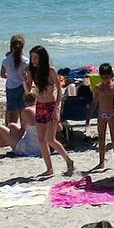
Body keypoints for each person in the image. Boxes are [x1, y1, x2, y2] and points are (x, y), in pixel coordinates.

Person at [27, 45, 74, 178]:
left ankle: (68, 160)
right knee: (41, 139)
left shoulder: (51, 70)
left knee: (50, 139)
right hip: (40, 105)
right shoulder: (34, 72)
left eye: (36, 58)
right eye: (32, 58)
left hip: (51, 106)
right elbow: (29, 93)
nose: (34, 61)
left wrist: (57, 109)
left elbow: (59, 89)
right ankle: (49, 168)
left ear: (42, 57)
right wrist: (25, 81)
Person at [0, 34, 28, 125]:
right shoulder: (26, 61)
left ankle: (12, 130)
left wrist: (11, 76)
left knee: (11, 110)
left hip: (10, 87)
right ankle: (23, 130)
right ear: (22, 46)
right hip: (22, 87)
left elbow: (2, 75)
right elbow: (28, 76)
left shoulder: (6, 60)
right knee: (22, 109)